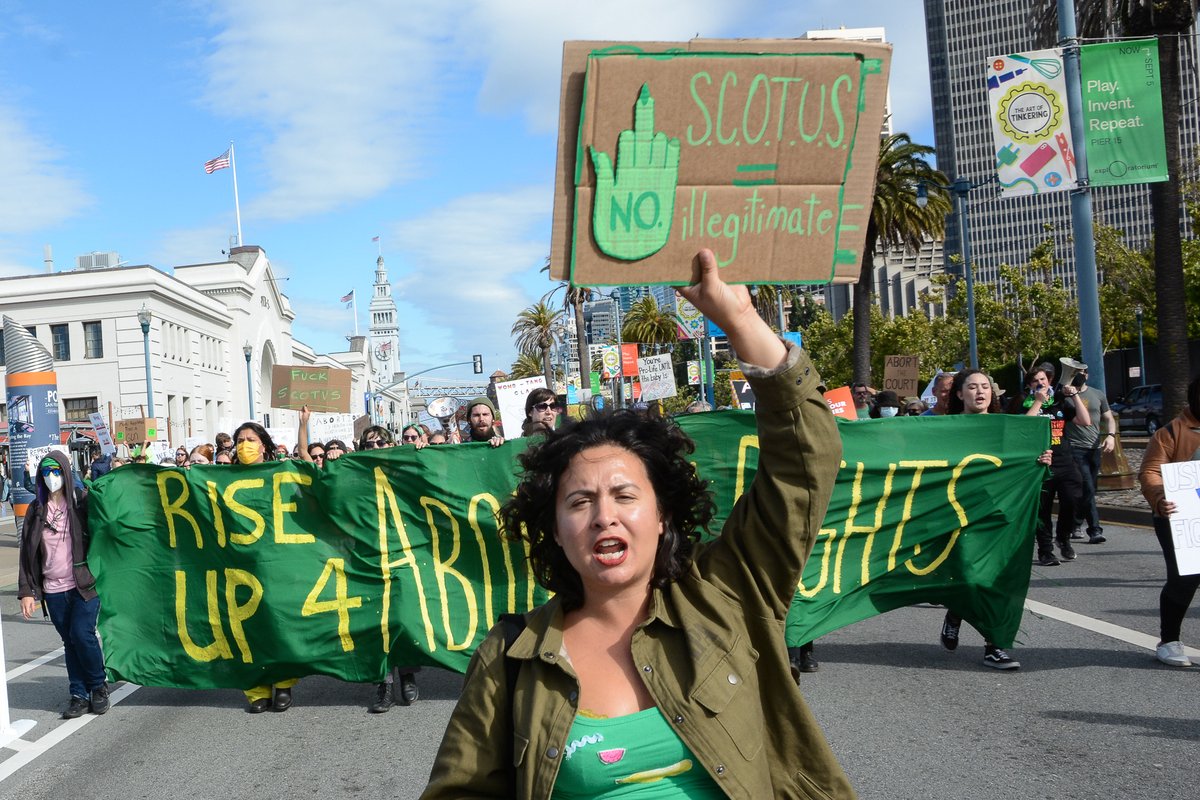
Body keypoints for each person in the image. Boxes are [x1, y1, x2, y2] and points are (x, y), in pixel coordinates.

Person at [421, 249, 853, 799]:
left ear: (662, 512)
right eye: (579, 502)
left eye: (625, 495)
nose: (605, 516)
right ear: (554, 528)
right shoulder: (513, 657)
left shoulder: (728, 595)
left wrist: (742, 322)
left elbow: (805, 463)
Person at [937, 368, 1051, 670]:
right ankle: (955, 611)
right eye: (972, 387)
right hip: (960, 514)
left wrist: (1039, 460)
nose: (979, 391)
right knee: (970, 576)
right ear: (959, 394)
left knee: (998, 579)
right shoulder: (945, 429)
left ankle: (995, 646)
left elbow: (1025, 445)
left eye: (985, 386)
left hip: (1001, 513)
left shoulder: (1005, 426)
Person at [17, 451, 109, 719]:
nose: (51, 477)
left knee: (82, 634)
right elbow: (27, 555)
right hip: (53, 589)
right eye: (45, 472)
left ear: (66, 473)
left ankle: (98, 686)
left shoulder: (82, 502)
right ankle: (78, 694)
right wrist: (27, 592)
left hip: (84, 585)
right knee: (70, 641)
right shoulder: (36, 510)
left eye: (56, 471)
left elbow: (108, 524)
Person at [230, 421, 298, 713]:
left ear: (264, 445)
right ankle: (256, 689)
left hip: (276, 562)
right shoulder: (222, 478)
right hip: (238, 563)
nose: (245, 445)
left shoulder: (281, 473)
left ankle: (283, 683)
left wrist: (303, 428)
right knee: (247, 628)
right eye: (240, 440)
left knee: (277, 622)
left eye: (251, 439)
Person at [1137, 374, 1200, 668]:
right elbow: (1150, 472)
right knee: (1185, 578)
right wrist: (1161, 498)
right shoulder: (1170, 433)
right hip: (1177, 516)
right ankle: (1169, 641)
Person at [1007, 364, 1089, 566]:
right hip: (1040, 462)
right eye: (1035, 381)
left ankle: (1064, 538)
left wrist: (1074, 395)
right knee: (1042, 509)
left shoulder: (1059, 401)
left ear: (1049, 381)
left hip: (1065, 460)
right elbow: (1024, 427)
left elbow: (1085, 420)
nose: (1040, 383)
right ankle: (1046, 550)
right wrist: (1038, 402)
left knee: (1073, 500)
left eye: (1043, 379)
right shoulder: (1023, 402)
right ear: (1029, 385)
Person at [1062, 362, 1115, 545]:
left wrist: (1111, 436)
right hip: (1074, 448)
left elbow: (1109, 418)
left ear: (1087, 375)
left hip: (1094, 448)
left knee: (1089, 489)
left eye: (1082, 372)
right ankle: (1095, 530)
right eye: (1076, 372)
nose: (1080, 375)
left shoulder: (1098, 394)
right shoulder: (1064, 396)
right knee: (1088, 489)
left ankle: (1075, 523)